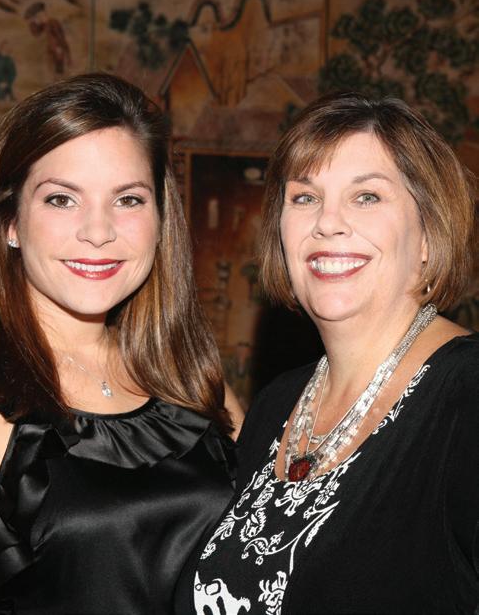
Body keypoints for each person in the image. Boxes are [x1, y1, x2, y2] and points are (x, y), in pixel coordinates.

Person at [0, 73, 243, 614]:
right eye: (62, 199)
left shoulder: (194, 386)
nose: (98, 231)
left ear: (161, 221)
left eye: (128, 199)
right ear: (10, 222)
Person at [178, 93, 478, 614]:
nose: (327, 222)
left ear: (428, 234)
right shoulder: (277, 404)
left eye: (367, 196)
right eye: (304, 197)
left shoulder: (466, 397)